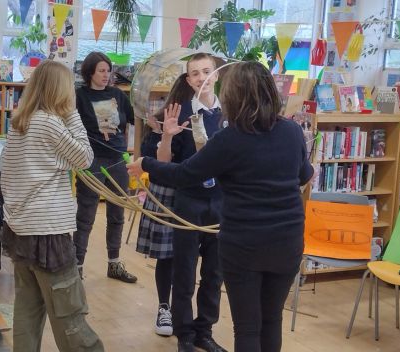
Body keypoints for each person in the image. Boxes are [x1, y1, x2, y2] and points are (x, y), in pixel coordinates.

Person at [127, 61, 315, 352]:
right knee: (271, 319)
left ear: (234, 96)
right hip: (287, 242)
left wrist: (145, 164)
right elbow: (305, 175)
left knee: (249, 327)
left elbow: (185, 174)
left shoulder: (230, 138)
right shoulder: (290, 131)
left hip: (245, 244)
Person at [0, 60, 103, 352]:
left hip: (21, 230)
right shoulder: (50, 123)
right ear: (61, 91)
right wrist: (72, 115)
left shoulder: (20, 121)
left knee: (27, 311)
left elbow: (5, 174)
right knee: (69, 316)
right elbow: (84, 158)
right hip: (48, 234)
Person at [149, 53, 226, 352]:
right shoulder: (180, 114)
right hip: (188, 203)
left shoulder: (231, 114)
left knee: (214, 273)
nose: (201, 78)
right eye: (195, 74)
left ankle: (204, 331)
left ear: (217, 75)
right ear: (188, 80)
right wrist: (166, 137)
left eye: (206, 71)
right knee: (184, 270)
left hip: (221, 205)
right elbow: (164, 163)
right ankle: (185, 334)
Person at [73, 51, 137, 283]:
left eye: (108, 70)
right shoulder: (79, 96)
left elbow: (131, 120)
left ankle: (114, 264)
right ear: (90, 72)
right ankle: (77, 266)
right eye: (101, 70)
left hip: (118, 158)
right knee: (86, 215)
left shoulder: (118, 95)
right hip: (91, 159)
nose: (106, 75)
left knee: (117, 212)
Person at [136, 92, 185, 336]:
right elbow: (152, 160)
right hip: (165, 193)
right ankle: (164, 306)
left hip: (194, 195)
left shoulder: (209, 117)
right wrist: (162, 134)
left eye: (206, 74)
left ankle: (182, 311)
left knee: (188, 259)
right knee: (167, 255)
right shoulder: (160, 124)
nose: (201, 79)